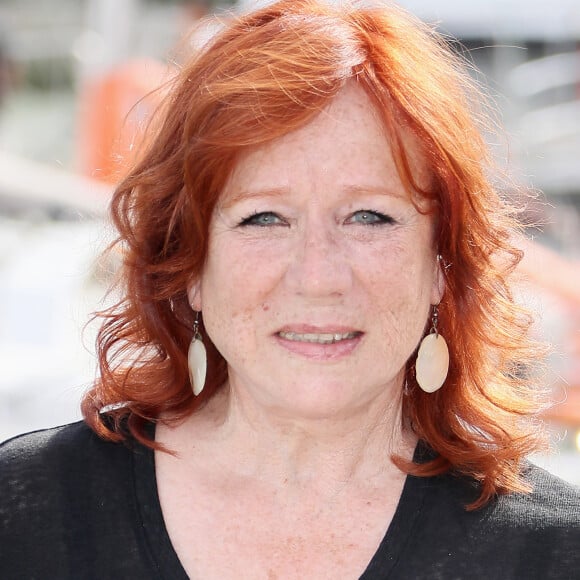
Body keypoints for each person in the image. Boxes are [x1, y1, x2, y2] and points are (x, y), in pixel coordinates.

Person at [1, 1, 579, 578]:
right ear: (190, 265)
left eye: (369, 217)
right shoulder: (24, 514)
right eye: (264, 218)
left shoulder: (554, 552)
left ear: (441, 262)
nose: (318, 276)